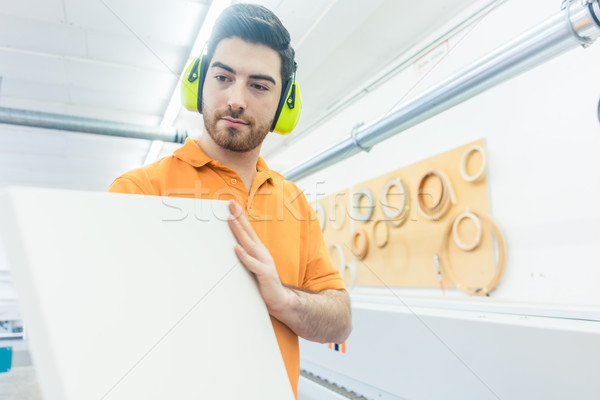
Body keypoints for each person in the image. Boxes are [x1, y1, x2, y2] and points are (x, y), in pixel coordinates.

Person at [108, 3, 352, 397]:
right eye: (223, 77)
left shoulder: (294, 202)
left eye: (258, 85)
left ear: (284, 105)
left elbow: (340, 320)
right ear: (199, 84)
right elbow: (105, 328)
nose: (236, 99)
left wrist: (283, 299)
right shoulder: (139, 191)